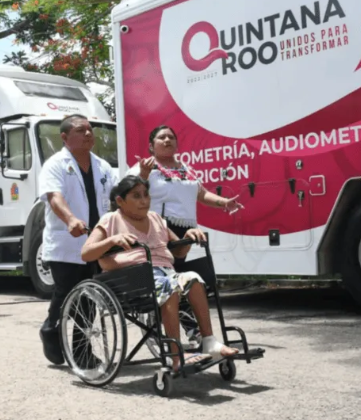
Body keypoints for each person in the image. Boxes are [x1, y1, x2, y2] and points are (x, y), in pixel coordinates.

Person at [81, 175, 239, 370]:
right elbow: (86, 253)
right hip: (133, 279)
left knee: (194, 279)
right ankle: (176, 356)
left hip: (165, 273)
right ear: (120, 201)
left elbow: (178, 250)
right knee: (170, 287)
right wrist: (112, 241)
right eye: (137, 196)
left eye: (146, 195)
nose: (144, 200)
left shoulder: (156, 219)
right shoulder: (111, 220)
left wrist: (188, 237)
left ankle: (209, 341)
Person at [128, 125, 242, 342]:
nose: (167, 140)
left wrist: (224, 203)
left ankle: (190, 330)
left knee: (182, 278)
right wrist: (143, 174)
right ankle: (189, 330)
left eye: (171, 136)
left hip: (185, 231)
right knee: (173, 279)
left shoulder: (185, 168)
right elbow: (129, 194)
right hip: (159, 230)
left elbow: (201, 193)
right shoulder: (144, 167)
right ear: (151, 145)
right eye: (162, 137)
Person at [37, 114, 118, 366]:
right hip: (67, 242)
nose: (88, 134)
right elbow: (54, 197)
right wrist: (71, 219)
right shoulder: (55, 164)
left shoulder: (102, 166)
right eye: (81, 130)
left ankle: (82, 353)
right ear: (64, 137)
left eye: (90, 130)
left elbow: (118, 194)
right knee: (66, 292)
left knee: (90, 298)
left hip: (96, 241)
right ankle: (50, 329)